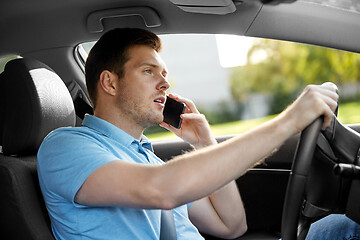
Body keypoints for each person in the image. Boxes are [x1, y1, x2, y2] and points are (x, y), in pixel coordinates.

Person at [37, 27, 342, 240]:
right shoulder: (65, 146)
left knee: (339, 226)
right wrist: (288, 121)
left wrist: (204, 144)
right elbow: (161, 190)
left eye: (164, 74)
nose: (165, 84)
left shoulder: (147, 160)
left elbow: (231, 226)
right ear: (110, 83)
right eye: (148, 71)